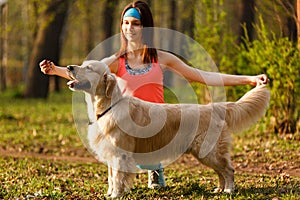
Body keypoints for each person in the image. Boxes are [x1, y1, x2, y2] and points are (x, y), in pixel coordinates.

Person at [40, 0, 269, 189]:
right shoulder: (115, 61)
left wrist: (248, 79)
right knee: (116, 147)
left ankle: (156, 169)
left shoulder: (162, 57)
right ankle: (143, 171)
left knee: (202, 151)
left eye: (136, 23)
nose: (130, 28)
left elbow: (201, 75)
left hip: (162, 125)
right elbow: (88, 74)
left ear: (145, 27)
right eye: (126, 23)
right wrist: (56, 70)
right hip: (127, 126)